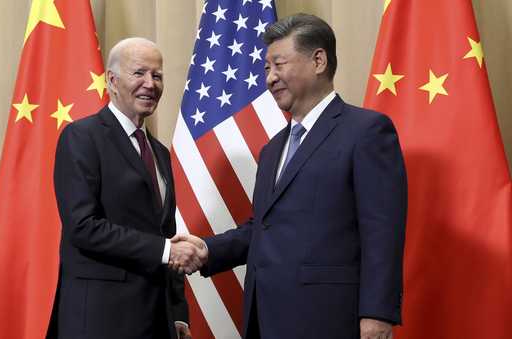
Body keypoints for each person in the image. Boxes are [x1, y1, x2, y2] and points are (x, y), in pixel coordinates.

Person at [172, 14, 407, 339]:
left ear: (318, 60)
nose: (270, 78)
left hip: (330, 318)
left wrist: (377, 313)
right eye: (266, 68)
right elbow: (264, 228)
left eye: (279, 64)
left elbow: (382, 230)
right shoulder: (273, 149)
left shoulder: (366, 131)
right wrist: (208, 251)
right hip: (265, 317)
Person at [52, 37, 200, 339]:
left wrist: (178, 312)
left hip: (156, 321)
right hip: (100, 320)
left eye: (157, 75)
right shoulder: (82, 137)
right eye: (139, 73)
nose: (150, 83)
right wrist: (166, 250)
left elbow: (164, 233)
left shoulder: (159, 152)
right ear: (112, 80)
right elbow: (83, 226)